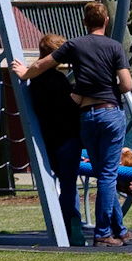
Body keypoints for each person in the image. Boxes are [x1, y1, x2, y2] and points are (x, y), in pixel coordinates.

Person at [13, 1, 132, 246]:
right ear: (106, 21)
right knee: (107, 176)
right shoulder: (114, 47)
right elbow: (127, 85)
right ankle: (103, 232)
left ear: (84, 22)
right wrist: (110, 89)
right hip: (108, 112)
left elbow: (41, 65)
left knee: (101, 174)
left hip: (86, 117)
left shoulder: (75, 45)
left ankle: (118, 228)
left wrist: (24, 73)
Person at [9, 32, 86, 246]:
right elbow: (70, 107)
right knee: (69, 185)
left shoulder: (35, 82)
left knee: (63, 183)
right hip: (67, 139)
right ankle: (71, 225)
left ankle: (66, 223)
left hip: (48, 140)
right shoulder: (59, 81)